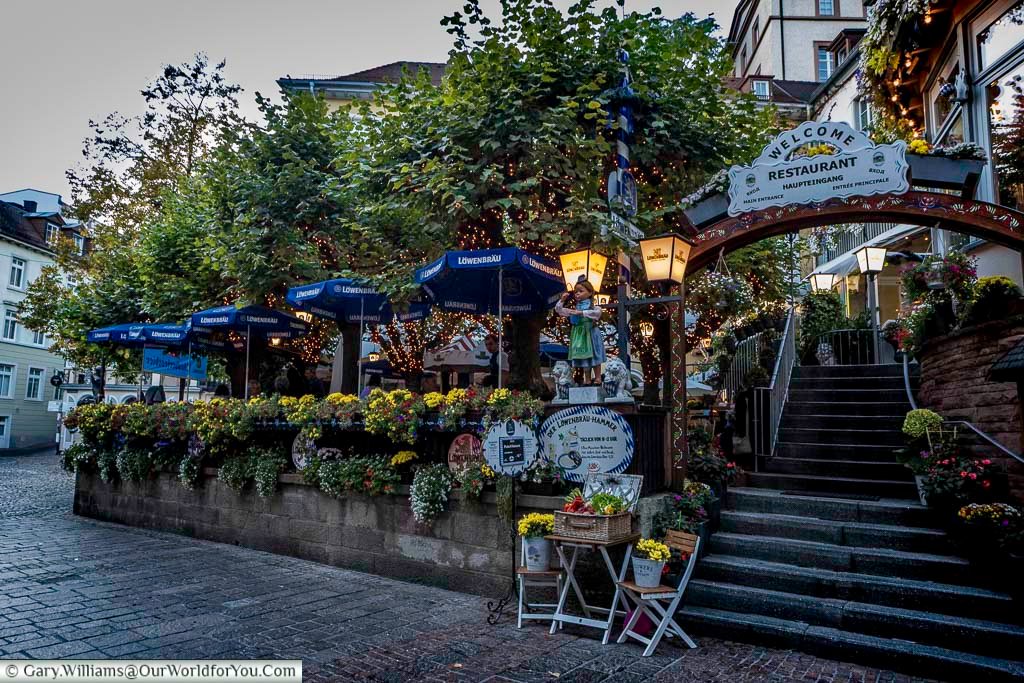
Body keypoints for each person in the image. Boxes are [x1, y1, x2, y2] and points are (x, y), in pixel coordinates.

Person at [555, 276, 606, 385]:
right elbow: (559, 310)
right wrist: (562, 300)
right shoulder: (575, 307)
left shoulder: (593, 307)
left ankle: (597, 378)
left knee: (595, 354)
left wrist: (582, 313)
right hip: (580, 334)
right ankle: (587, 379)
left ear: (590, 292)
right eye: (576, 291)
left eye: (581, 291)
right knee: (584, 358)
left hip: (590, 332)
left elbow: (597, 313)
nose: (577, 293)